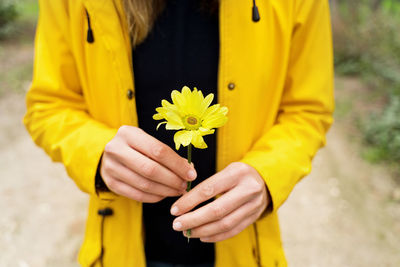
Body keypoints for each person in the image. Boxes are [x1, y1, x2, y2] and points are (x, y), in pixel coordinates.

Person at [23, 0, 334, 266]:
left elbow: (308, 110)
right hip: (121, 248)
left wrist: (268, 175)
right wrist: (96, 152)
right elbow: (48, 106)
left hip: (244, 247)